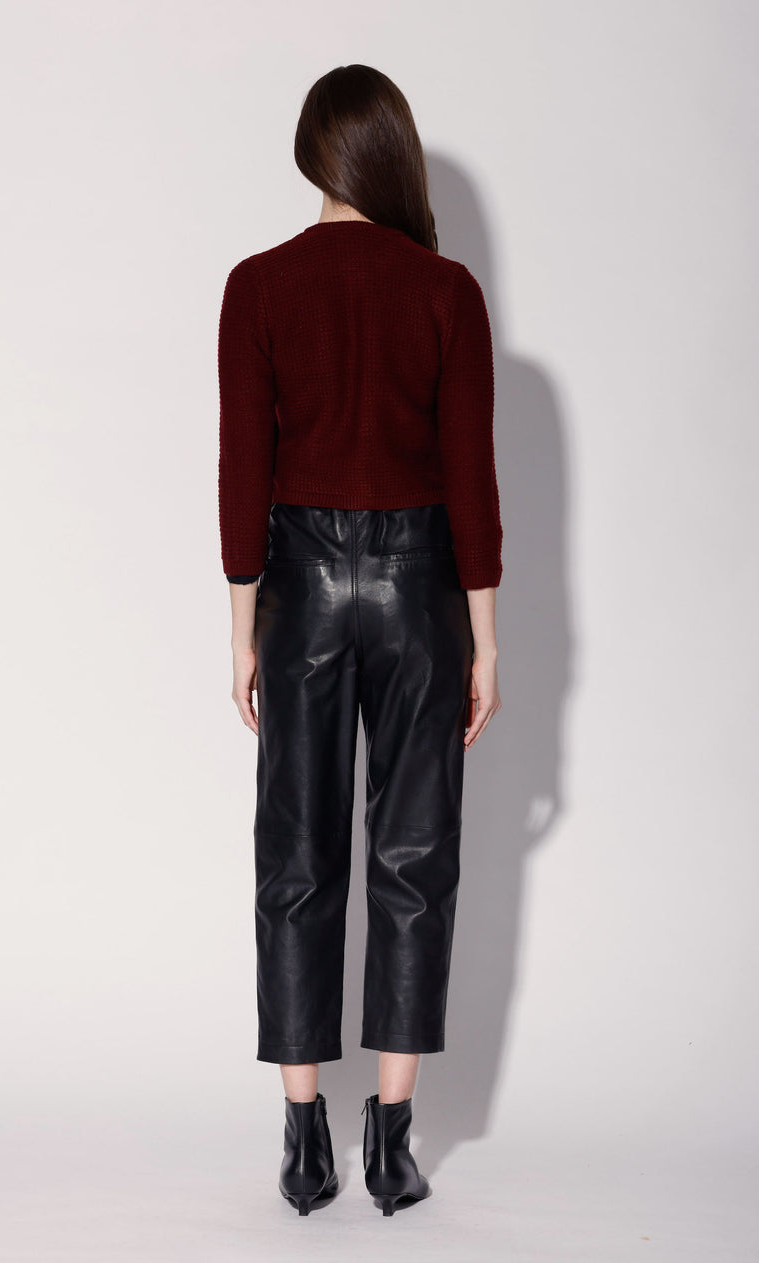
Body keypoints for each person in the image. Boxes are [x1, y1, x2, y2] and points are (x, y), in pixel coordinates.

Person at [217, 64, 503, 1217]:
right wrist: (484, 641)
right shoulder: (446, 290)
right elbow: (471, 480)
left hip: (298, 586)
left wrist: (243, 630)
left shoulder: (256, 285)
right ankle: (389, 1142)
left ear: (311, 155)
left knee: (295, 855)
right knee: (412, 856)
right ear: (389, 153)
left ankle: (302, 1141)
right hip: (419, 588)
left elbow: (242, 474)